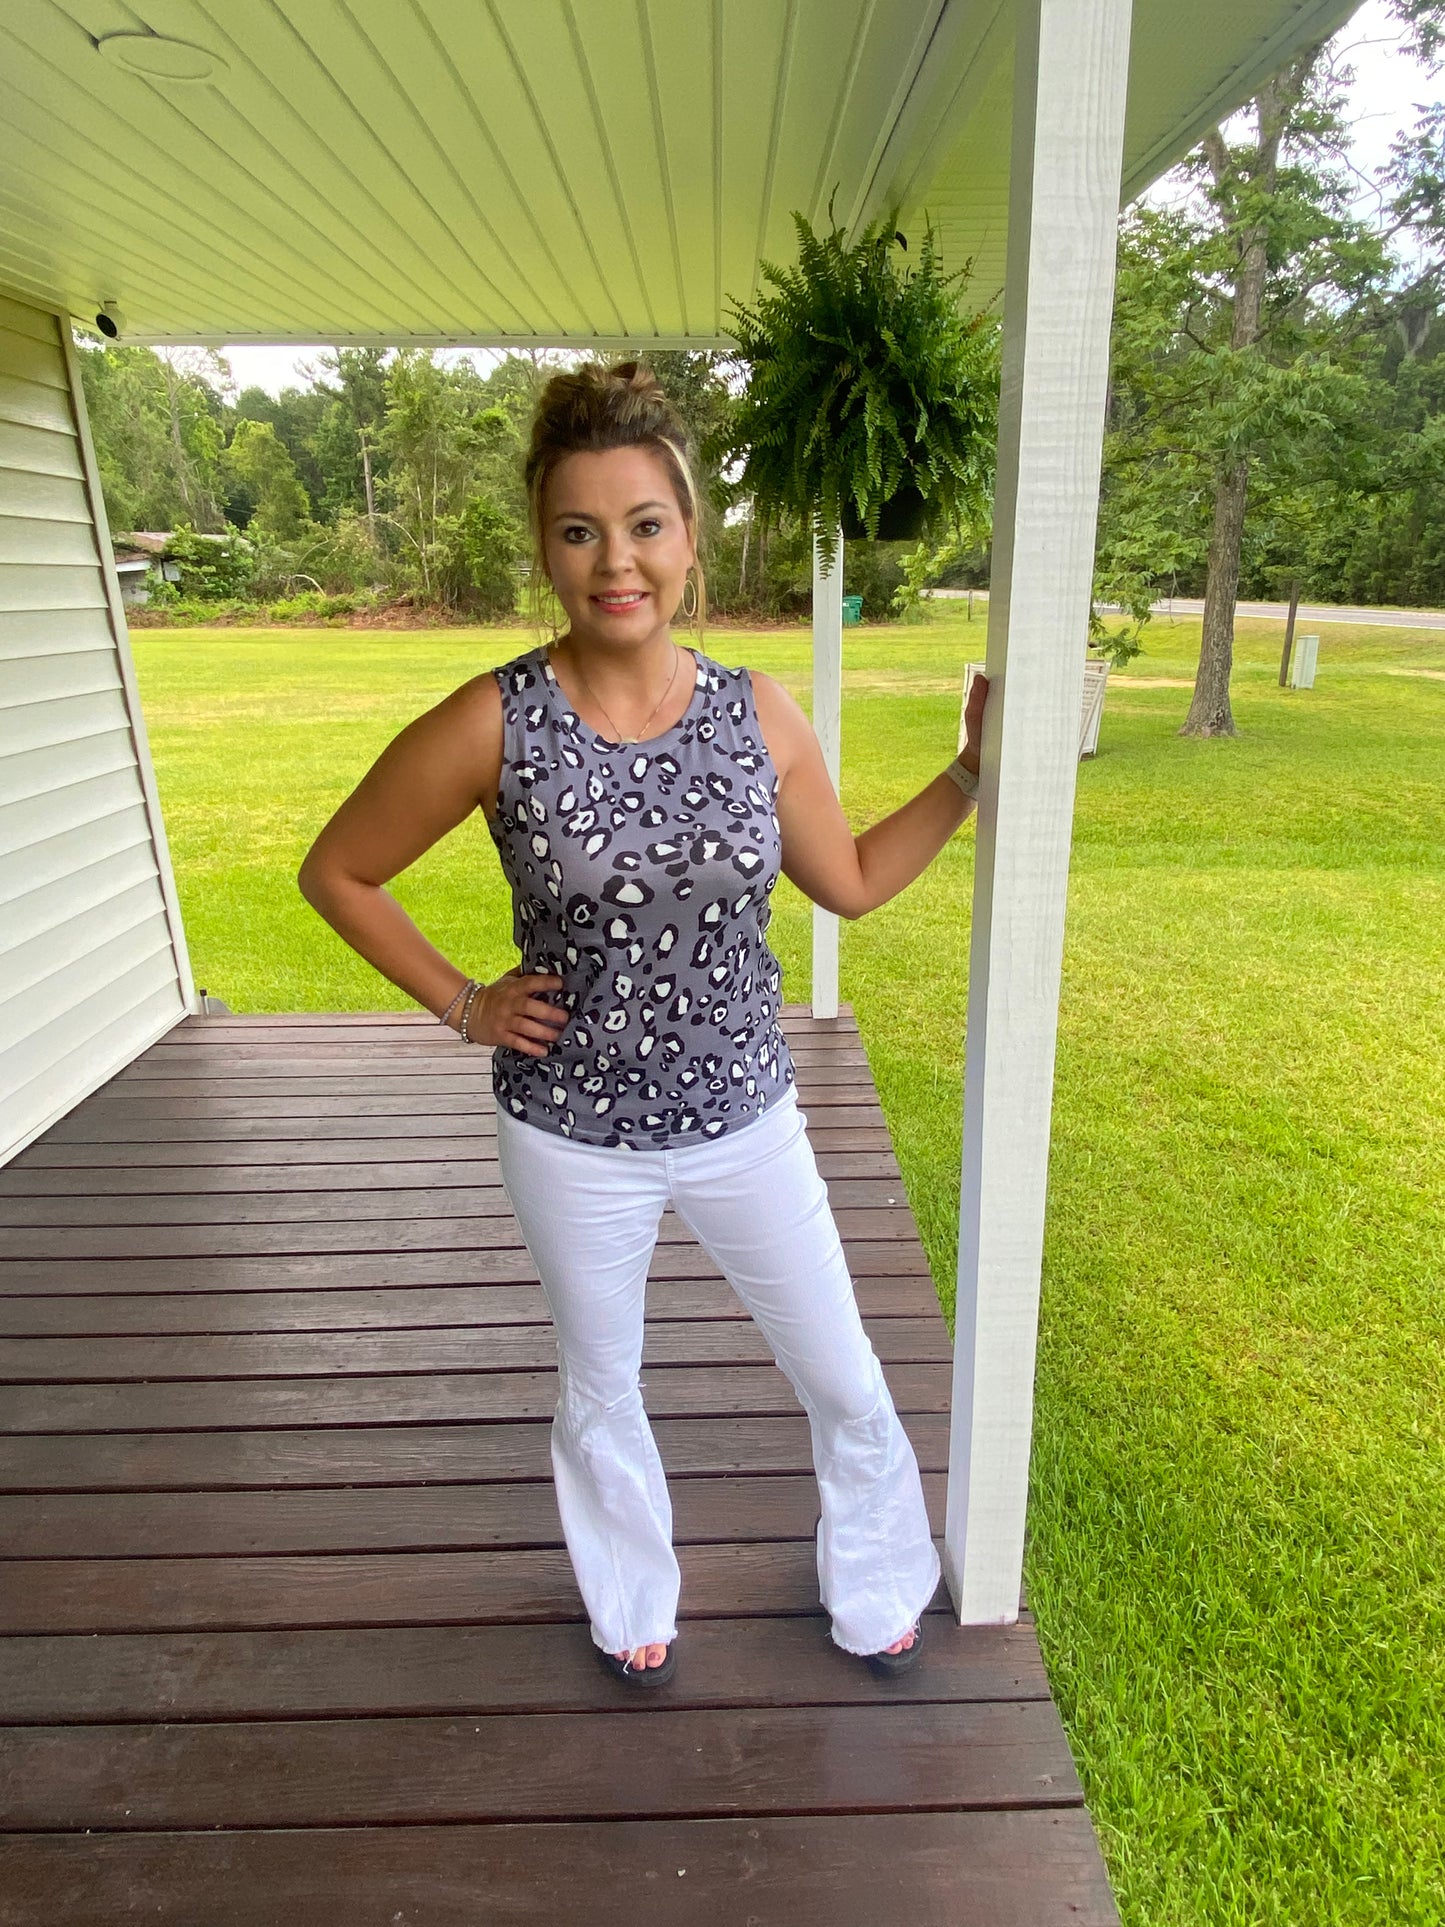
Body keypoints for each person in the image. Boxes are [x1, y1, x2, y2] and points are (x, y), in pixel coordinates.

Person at [298, 360, 989, 1688]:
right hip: (570, 1134)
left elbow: (842, 878)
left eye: (645, 525)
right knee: (601, 1388)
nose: (616, 560)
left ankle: (878, 1582)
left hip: (747, 1119)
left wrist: (967, 773)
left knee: (842, 1374)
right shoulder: (494, 719)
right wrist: (462, 1003)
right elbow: (339, 870)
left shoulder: (753, 713)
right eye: (579, 530)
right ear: (548, 551)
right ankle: (631, 1605)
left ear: (688, 539)